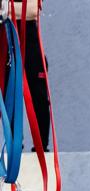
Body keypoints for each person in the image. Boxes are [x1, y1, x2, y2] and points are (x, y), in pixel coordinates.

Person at [15, 0, 49, 152]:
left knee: (39, 94)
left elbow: (31, 10)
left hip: (30, 36)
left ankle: (41, 146)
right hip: (8, 33)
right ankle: (14, 143)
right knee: (10, 92)